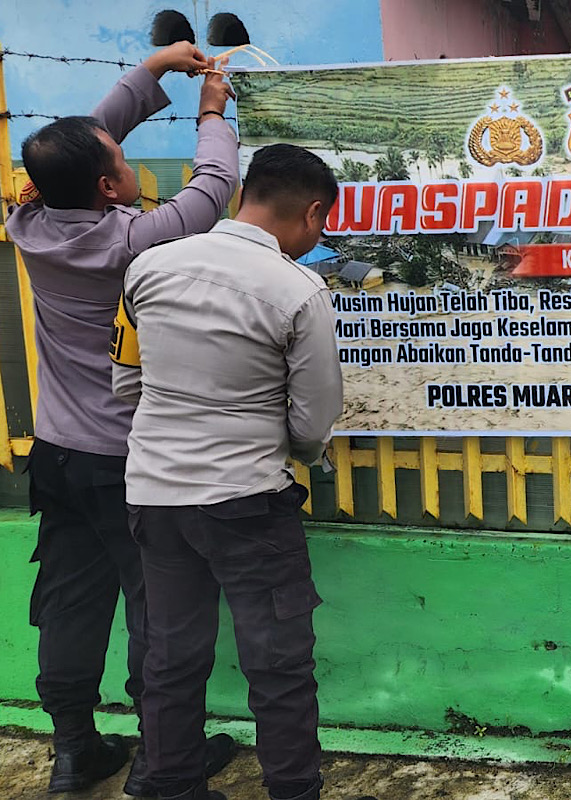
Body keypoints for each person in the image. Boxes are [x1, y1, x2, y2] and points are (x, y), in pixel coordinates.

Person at [5, 42, 240, 795]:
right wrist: (210, 112)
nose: (129, 159)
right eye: (120, 159)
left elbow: (77, 147)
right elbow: (215, 185)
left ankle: (73, 749)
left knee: (69, 598)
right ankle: (162, 758)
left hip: (59, 455)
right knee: (157, 604)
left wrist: (149, 73)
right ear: (110, 188)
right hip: (125, 462)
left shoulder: (31, 224)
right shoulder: (131, 239)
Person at [112, 144, 363, 800]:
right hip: (247, 503)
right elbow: (311, 425)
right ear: (312, 213)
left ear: (241, 195)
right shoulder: (298, 289)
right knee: (278, 667)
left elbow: (125, 383)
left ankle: (171, 789)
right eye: (321, 226)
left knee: (170, 658)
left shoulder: (147, 268)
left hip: (155, 500)